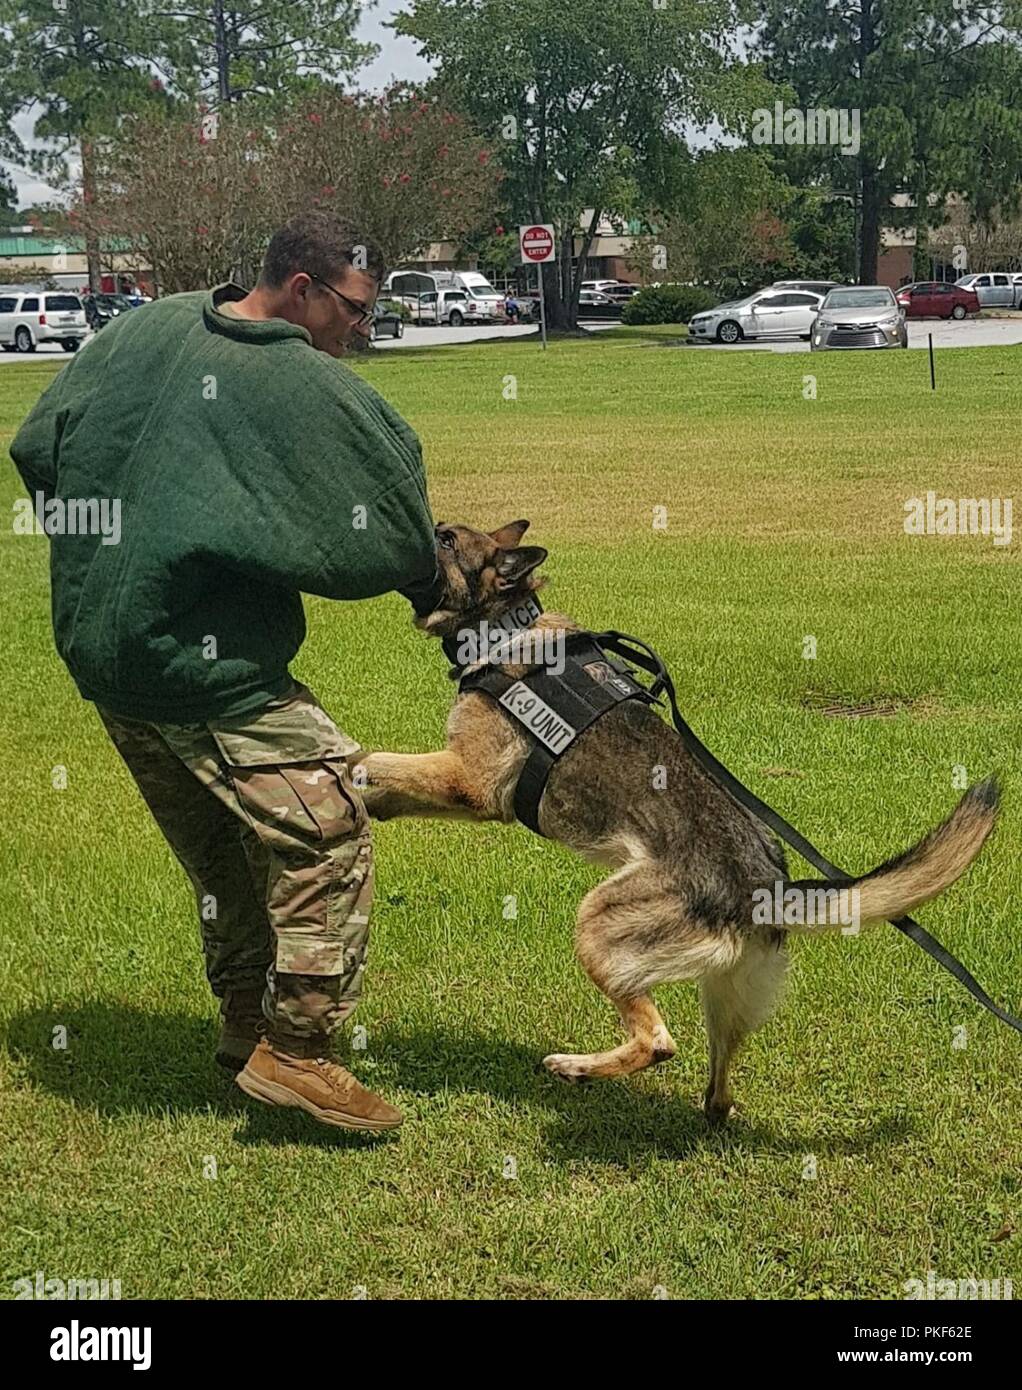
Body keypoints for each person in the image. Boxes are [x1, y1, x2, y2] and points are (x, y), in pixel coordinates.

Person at [10, 211, 444, 1132]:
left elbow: (37, 445)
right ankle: (300, 1055)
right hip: (204, 671)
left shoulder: (145, 324)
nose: (359, 331)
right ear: (301, 290)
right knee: (328, 826)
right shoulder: (288, 376)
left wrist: (124, 550)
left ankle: (244, 1027)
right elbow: (396, 522)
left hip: (107, 654)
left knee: (227, 853)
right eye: (356, 310)